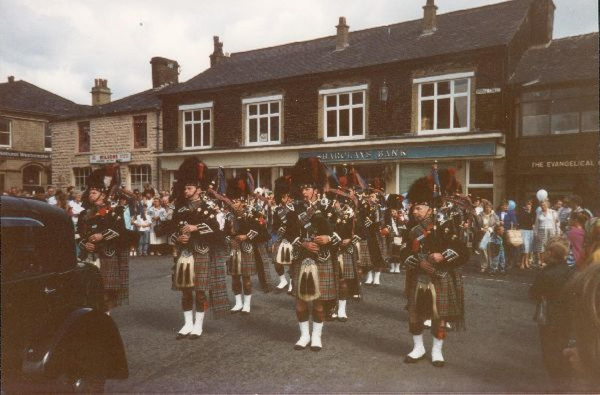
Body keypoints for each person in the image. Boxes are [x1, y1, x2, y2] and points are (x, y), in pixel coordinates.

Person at [402, 166, 468, 367]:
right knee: (415, 315)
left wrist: (442, 256)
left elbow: (462, 251)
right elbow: (403, 252)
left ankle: (437, 351)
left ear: (430, 208)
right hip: (418, 276)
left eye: (419, 208)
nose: (415, 212)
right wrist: (418, 261)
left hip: (440, 276)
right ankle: (418, 348)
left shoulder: (445, 225)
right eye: (413, 208)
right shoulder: (411, 229)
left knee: (439, 317)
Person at [169, 157, 229, 340]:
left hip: (202, 250)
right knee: (185, 290)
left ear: (199, 188)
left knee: (200, 290)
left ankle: (198, 324)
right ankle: (187, 323)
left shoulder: (209, 207)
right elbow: (171, 229)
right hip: (184, 253)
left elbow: (220, 229)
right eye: (184, 188)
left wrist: (196, 229)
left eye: (189, 188)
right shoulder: (179, 208)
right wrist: (178, 237)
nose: (185, 191)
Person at [290, 157, 339, 351]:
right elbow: (288, 234)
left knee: (318, 304)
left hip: (322, 258)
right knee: (301, 302)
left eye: (308, 188)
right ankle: (304, 336)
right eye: (302, 188)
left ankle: (316, 337)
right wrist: (303, 243)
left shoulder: (329, 208)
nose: (304, 192)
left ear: (316, 190)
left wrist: (329, 239)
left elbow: (342, 233)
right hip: (302, 258)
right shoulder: (294, 210)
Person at [76, 167, 129, 313]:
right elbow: (78, 235)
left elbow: (121, 233)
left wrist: (102, 236)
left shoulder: (113, 213)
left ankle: (106, 317)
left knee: (107, 293)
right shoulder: (84, 214)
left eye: (94, 192)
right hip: (89, 257)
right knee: (88, 292)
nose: (90, 195)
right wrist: (85, 244)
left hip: (107, 255)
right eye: (90, 192)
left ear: (103, 194)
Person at [529, 237, 573, 390]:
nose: (543, 254)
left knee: (549, 352)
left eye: (546, 251)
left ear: (552, 253)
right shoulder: (571, 271)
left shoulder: (546, 273)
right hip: (567, 317)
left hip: (549, 316)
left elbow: (533, 293)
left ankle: (558, 385)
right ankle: (564, 383)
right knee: (563, 349)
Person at [224, 174, 271, 315]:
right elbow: (223, 231)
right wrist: (229, 240)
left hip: (247, 247)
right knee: (234, 278)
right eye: (233, 200)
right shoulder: (228, 215)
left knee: (246, 278)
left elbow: (260, 228)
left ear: (242, 200)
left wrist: (246, 236)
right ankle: (238, 303)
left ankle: (247, 304)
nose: (235, 203)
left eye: (237, 200)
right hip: (234, 248)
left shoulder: (251, 211)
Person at [534, 200, 560, 267]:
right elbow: (536, 224)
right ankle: (542, 262)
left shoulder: (552, 212)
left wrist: (557, 233)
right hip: (541, 230)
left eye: (544, 205)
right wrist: (536, 233)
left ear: (547, 205)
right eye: (541, 205)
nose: (543, 206)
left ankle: (550, 262)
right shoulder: (539, 213)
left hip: (551, 230)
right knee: (541, 246)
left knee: (550, 246)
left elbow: (556, 223)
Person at [475, 202, 500, 273]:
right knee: (482, 249)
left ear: (491, 208)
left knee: (490, 250)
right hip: (482, 234)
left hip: (491, 234)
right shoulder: (480, 215)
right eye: (486, 207)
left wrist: (491, 228)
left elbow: (498, 223)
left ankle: (492, 266)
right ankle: (484, 266)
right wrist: (481, 229)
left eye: (489, 207)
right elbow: (477, 224)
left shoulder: (494, 215)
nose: (487, 208)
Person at [517, 199, 536, 269]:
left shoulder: (533, 213)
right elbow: (520, 220)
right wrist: (526, 212)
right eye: (527, 204)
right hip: (523, 230)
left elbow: (534, 222)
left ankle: (526, 262)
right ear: (525, 206)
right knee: (524, 247)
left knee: (528, 248)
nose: (528, 206)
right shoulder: (522, 212)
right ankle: (522, 262)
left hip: (530, 231)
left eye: (530, 205)